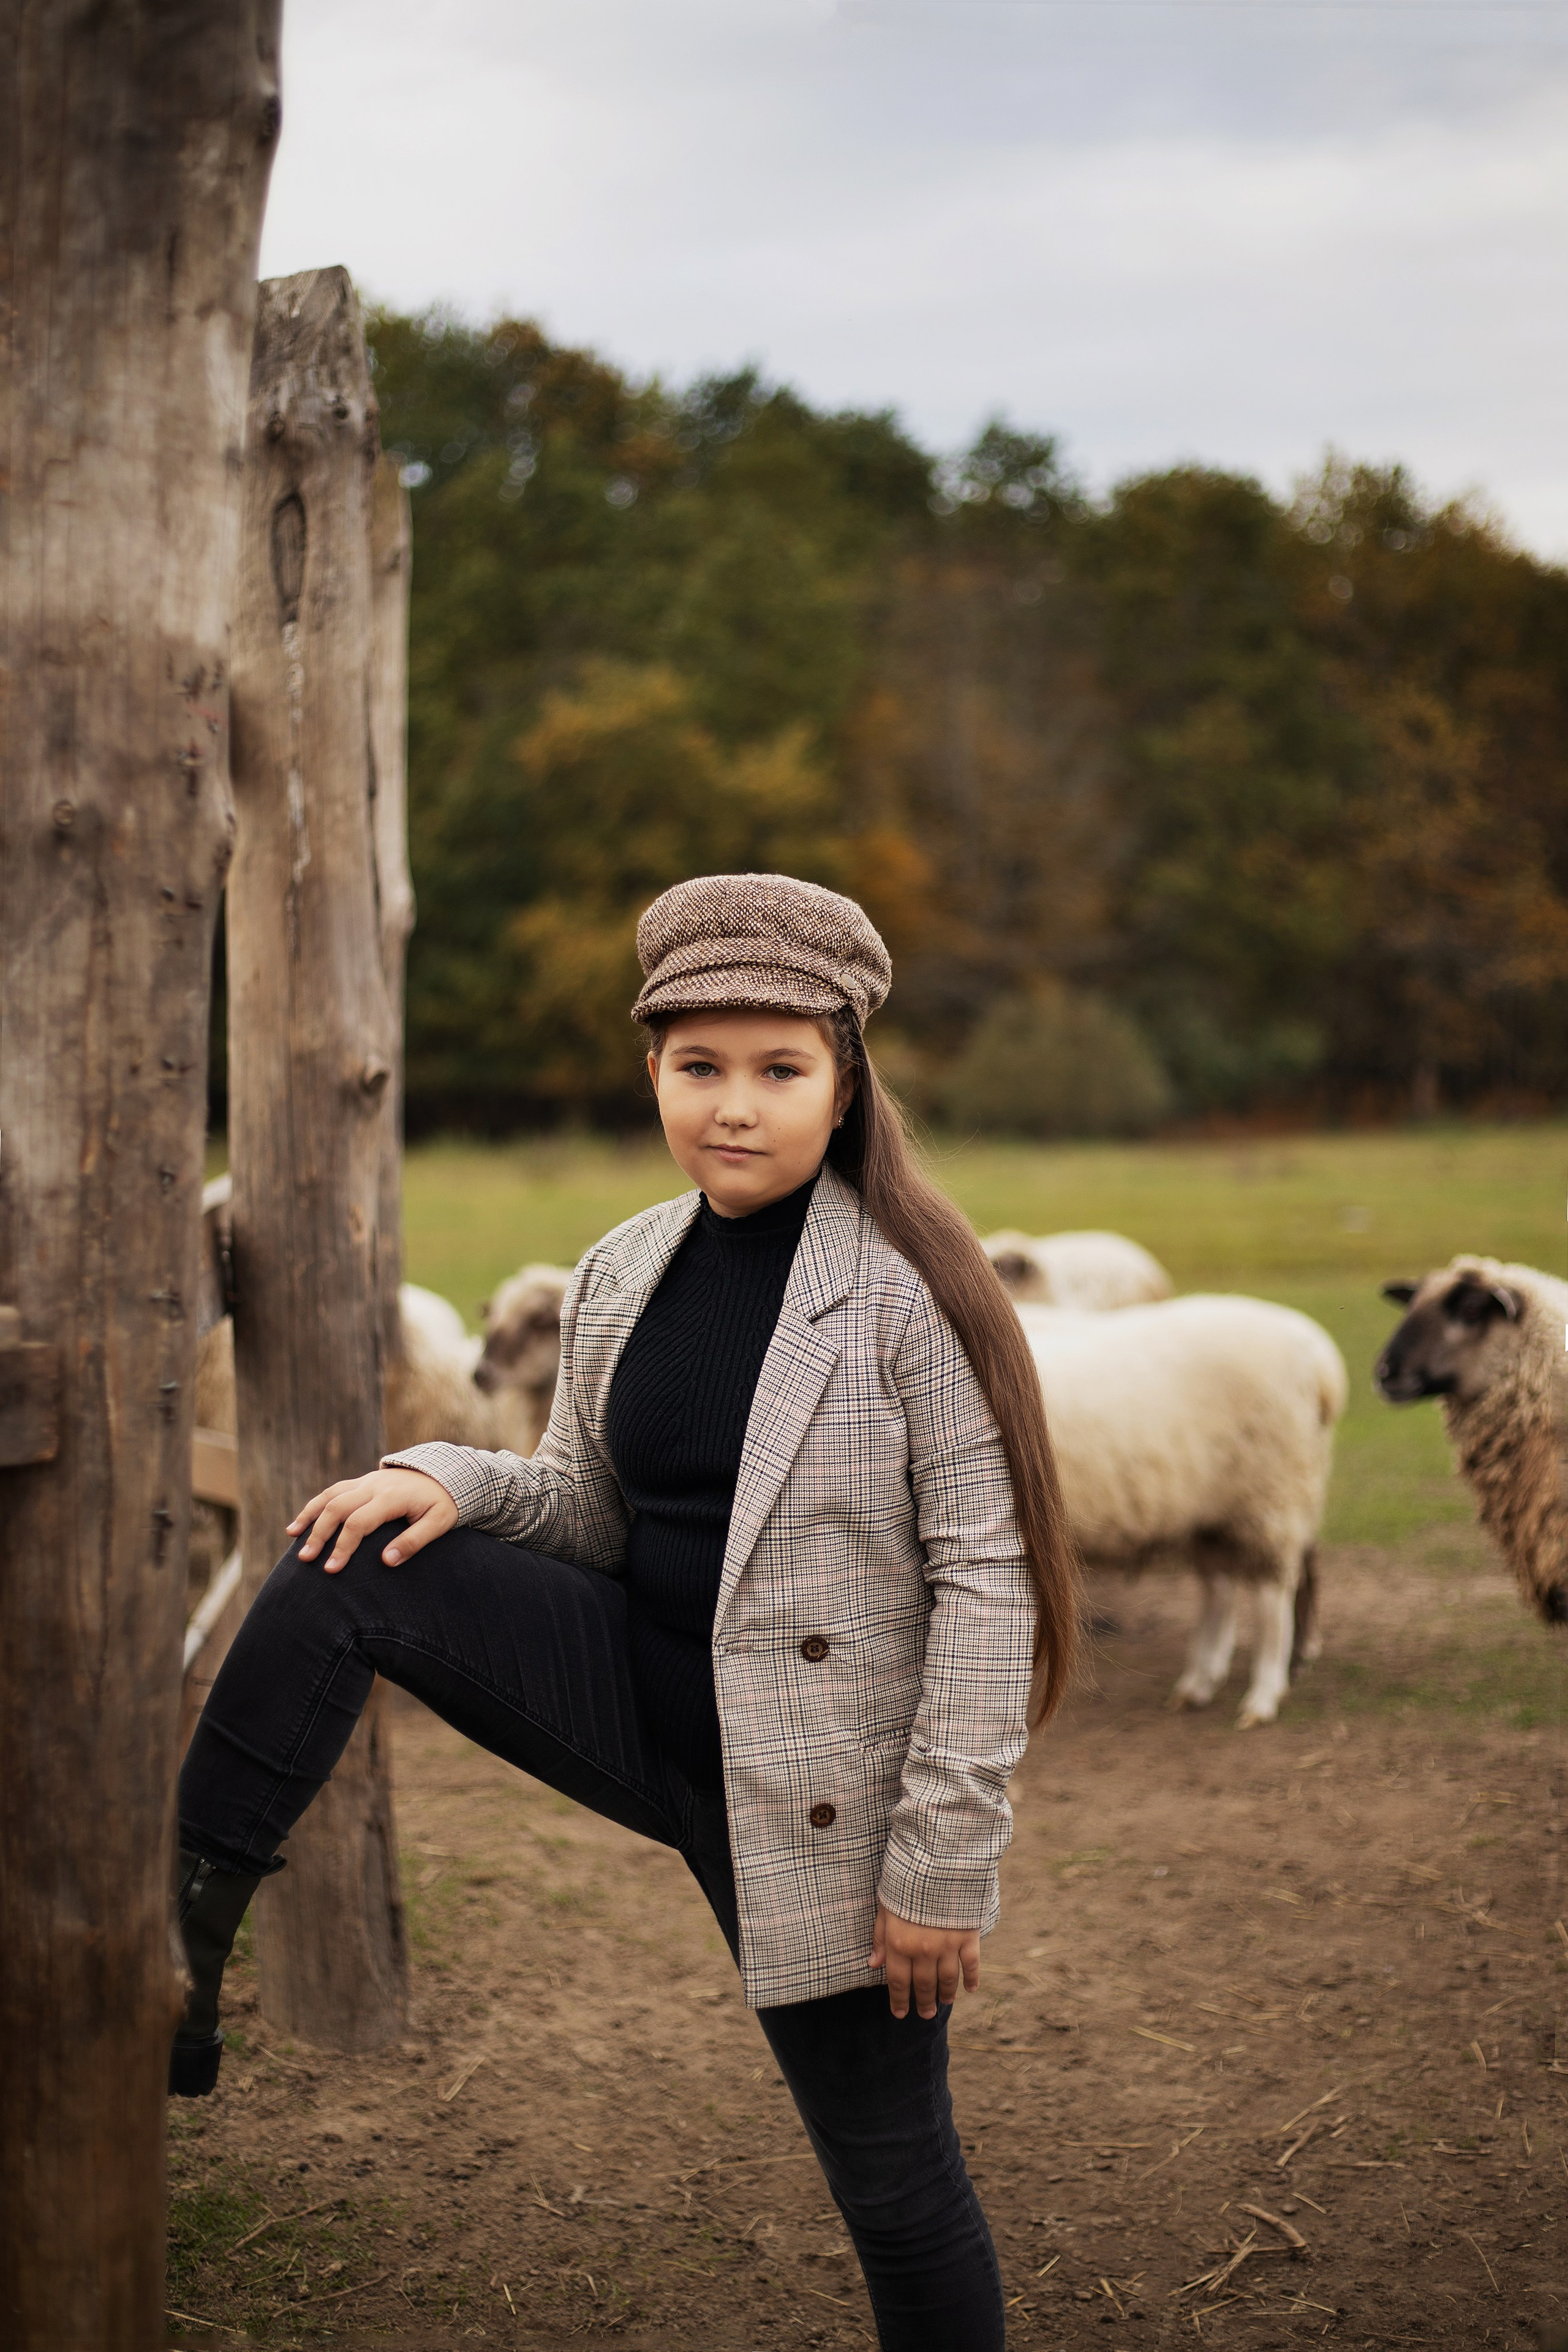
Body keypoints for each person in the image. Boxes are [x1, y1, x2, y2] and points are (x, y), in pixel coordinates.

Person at [172, 872, 1080, 2351]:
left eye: (778, 1070)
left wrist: (940, 1866)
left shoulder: (912, 1294)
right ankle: (177, 1938)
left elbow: (989, 1582)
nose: (735, 1104)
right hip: (636, 1695)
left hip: (813, 1799)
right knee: (341, 1555)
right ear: (651, 1068)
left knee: (896, 2187)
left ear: (844, 1082)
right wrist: (449, 1477)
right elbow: (585, 1510)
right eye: (697, 1066)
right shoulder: (621, 1268)